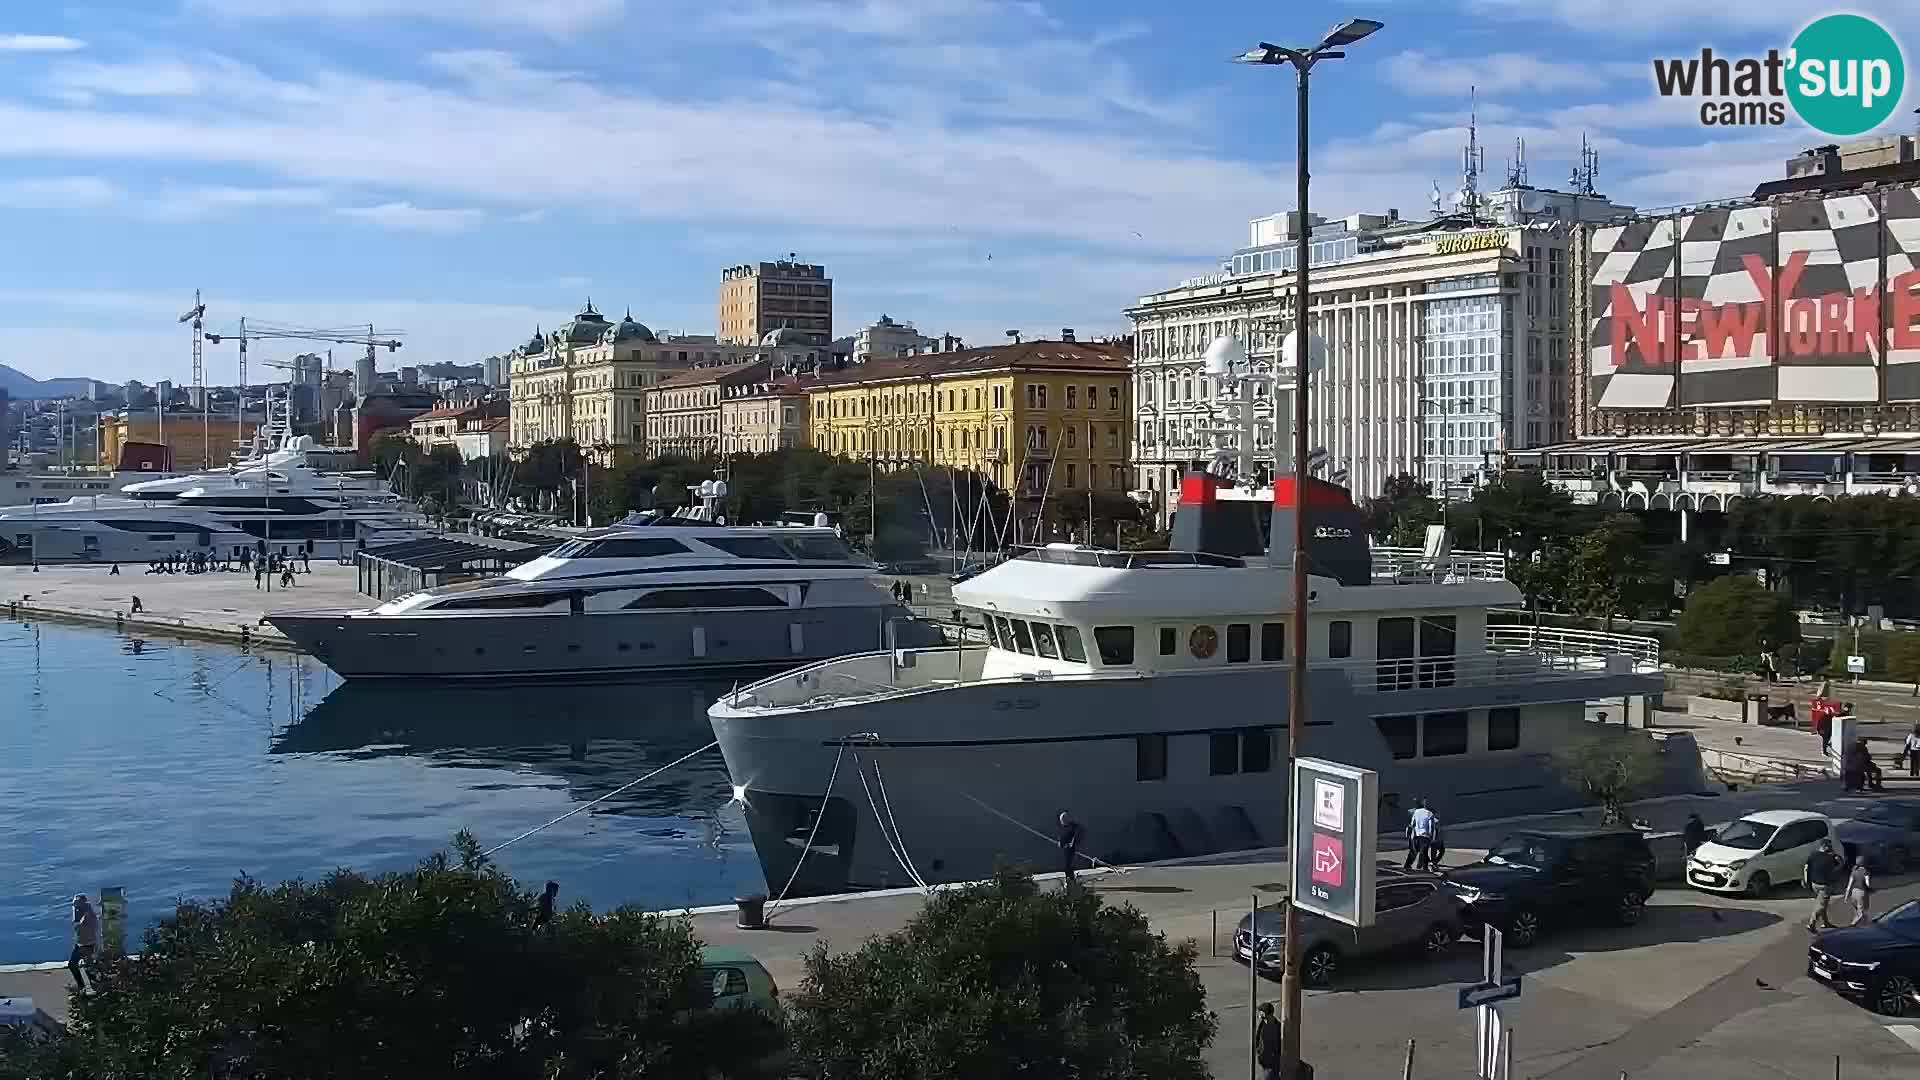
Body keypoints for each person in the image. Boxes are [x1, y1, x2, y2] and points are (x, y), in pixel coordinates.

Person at [1805, 838, 1842, 931]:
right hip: (1825, 885)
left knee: (1821, 903)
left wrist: (1806, 880)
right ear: (1825, 846)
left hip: (1814, 884)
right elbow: (1841, 865)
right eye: (1829, 846)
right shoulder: (1831, 857)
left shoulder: (1813, 855)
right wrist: (1834, 855)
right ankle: (1811, 923)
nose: (1830, 848)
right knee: (1821, 906)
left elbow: (1806, 868)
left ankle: (1826, 923)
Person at [70, 893, 99, 992]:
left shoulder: (87, 916)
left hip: (86, 945)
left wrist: (76, 915)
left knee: (80, 966)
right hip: (82, 944)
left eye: (76, 905)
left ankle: (85, 987)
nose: (75, 907)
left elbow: (78, 927)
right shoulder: (88, 912)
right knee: (86, 966)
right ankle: (88, 986)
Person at [1404, 798, 1436, 872]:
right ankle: (1424, 868)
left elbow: (1412, 824)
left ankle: (1407, 865)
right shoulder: (1430, 813)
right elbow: (1431, 827)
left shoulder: (1416, 812)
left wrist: (1411, 834)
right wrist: (1431, 837)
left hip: (1416, 835)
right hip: (1425, 836)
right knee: (1424, 852)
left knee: (1413, 852)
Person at [1256, 1001, 1282, 1080]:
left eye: (1261, 1013)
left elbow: (1277, 1045)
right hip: (1265, 1062)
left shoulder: (1276, 1026)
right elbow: (1258, 1038)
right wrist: (1259, 1051)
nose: (1259, 1015)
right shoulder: (1263, 1023)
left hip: (1272, 1063)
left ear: (1267, 1014)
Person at [1058, 811, 1084, 886]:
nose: (1062, 822)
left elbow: (1076, 835)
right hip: (1067, 850)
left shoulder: (1074, 826)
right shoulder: (1064, 827)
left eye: (1062, 820)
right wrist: (1061, 842)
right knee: (1067, 866)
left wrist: (1071, 844)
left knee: (1069, 866)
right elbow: (1062, 836)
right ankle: (1069, 880)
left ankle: (1071, 880)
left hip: (1073, 849)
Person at [1845, 857, 1873, 927]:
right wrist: (1870, 889)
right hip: (1862, 892)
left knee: (1857, 910)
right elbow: (1867, 884)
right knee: (1862, 911)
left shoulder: (1854, 871)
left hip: (1854, 893)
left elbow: (1849, 886)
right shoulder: (1866, 872)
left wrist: (1846, 897)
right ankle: (1853, 924)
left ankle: (1865, 923)